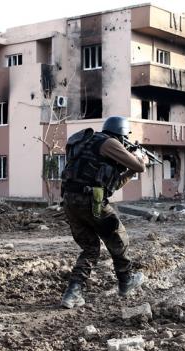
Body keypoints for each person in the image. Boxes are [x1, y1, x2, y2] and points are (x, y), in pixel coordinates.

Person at [60, 116, 149, 309]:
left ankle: (72, 294)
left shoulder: (88, 143)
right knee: (119, 236)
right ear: (121, 134)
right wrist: (141, 158)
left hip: (70, 200)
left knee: (90, 248)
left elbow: (112, 183)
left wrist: (129, 172)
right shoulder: (109, 142)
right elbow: (140, 166)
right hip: (91, 202)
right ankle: (125, 281)